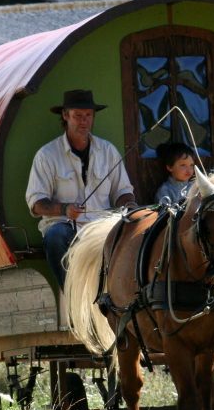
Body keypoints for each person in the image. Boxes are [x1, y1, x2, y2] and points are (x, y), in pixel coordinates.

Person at [26, 89, 136, 288]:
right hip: (65, 227)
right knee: (55, 237)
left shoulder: (107, 150)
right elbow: (36, 203)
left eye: (88, 115)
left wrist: (131, 207)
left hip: (100, 226)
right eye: (78, 116)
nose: (84, 121)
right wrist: (64, 209)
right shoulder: (47, 155)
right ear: (65, 116)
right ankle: (71, 295)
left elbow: (122, 191)